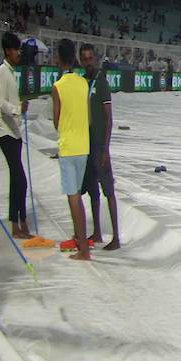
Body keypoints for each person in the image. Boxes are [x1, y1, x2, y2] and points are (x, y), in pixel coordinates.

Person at [49, 41, 95, 263]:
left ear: (59, 58)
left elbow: (56, 121)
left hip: (68, 147)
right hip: (83, 146)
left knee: (74, 198)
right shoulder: (83, 83)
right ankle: (79, 237)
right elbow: (88, 116)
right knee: (77, 194)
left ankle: (84, 249)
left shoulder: (58, 86)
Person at [78, 45, 121, 250]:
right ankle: (96, 231)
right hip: (86, 144)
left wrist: (106, 149)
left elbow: (109, 118)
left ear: (94, 59)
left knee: (108, 191)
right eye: (84, 59)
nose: (87, 62)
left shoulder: (101, 82)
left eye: (90, 58)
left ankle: (116, 237)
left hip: (99, 145)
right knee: (92, 189)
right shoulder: (81, 82)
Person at [0, 38, 32, 242]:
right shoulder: (2, 71)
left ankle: (17, 223)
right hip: (5, 131)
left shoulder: (10, 71)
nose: (19, 53)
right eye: (16, 49)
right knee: (20, 180)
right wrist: (18, 109)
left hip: (14, 131)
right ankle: (19, 223)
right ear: (8, 51)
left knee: (16, 179)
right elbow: (1, 103)